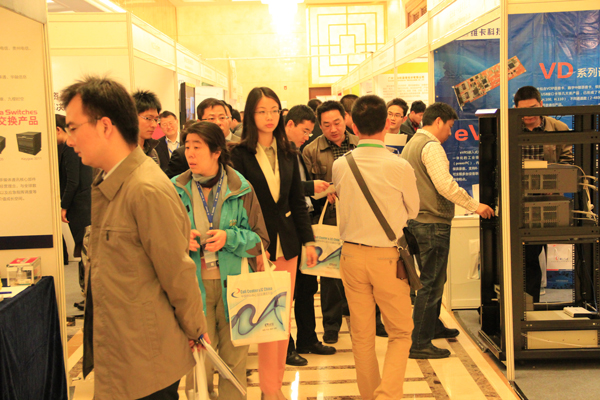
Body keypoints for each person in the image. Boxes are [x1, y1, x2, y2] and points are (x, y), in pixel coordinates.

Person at [61, 76, 209, 399]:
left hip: (147, 361)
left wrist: (196, 330)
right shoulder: (109, 181)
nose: (69, 141)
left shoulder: (145, 189)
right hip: (122, 352)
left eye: (73, 128)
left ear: (104, 126)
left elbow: (177, 273)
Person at [230, 87, 317, 400]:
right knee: (258, 317)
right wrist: (251, 244)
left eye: (274, 110)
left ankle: (273, 388)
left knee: (280, 319)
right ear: (250, 115)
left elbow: (297, 201)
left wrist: (308, 241)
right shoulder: (237, 154)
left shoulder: (289, 152)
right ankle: (261, 386)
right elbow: (237, 205)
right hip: (254, 248)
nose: (269, 117)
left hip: (287, 246)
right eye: (262, 111)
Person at [173, 121, 269, 400]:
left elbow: (260, 241)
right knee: (197, 364)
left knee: (234, 363)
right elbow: (159, 238)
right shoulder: (175, 188)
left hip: (235, 288)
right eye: (187, 147)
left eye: (197, 147)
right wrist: (181, 239)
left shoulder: (241, 188)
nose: (190, 154)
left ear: (217, 151)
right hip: (193, 289)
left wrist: (230, 238)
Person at [333, 94, 420, 400]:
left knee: (361, 335)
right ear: (386, 124)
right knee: (400, 332)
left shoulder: (340, 165)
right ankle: (387, 395)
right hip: (387, 258)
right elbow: (413, 210)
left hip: (351, 256)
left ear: (353, 126)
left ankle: (371, 395)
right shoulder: (399, 166)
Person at [401, 102, 494, 359]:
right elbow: (445, 185)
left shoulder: (412, 143)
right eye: (450, 127)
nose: (450, 133)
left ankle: (432, 326)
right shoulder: (431, 146)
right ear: (439, 121)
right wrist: (475, 205)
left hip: (417, 222)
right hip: (432, 223)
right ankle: (419, 342)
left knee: (431, 280)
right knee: (431, 283)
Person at [302, 100, 359, 344]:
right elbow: (306, 190)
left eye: (337, 122)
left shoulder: (359, 144)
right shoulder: (310, 150)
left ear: (345, 118)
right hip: (328, 219)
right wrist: (323, 193)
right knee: (330, 275)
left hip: (358, 217)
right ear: (320, 125)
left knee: (360, 270)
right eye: (326, 125)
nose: (333, 129)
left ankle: (367, 319)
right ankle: (331, 324)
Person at [283, 105, 336, 367]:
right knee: (286, 291)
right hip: (284, 229)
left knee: (307, 287)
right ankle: (286, 346)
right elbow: (285, 190)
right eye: (304, 131)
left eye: (309, 132)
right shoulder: (278, 153)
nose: (307, 137)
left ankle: (307, 338)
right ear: (289, 124)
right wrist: (309, 187)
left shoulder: (296, 152)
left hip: (303, 222)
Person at [514, 85, 573, 302]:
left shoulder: (558, 128)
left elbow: (568, 162)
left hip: (548, 200)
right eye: (522, 110)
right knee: (523, 254)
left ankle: (530, 302)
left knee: (534, 250)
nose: (528, 115)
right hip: (517, 199)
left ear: (541, 105)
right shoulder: (509, 127)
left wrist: (554, 184)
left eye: (532, 109)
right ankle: (523, 303)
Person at [56, 114, 92, 294]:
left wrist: (64, 206)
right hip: (83, 204)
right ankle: (85, 291)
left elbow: (72, 181)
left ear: (58, 130)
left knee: (86, 250)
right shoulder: (72, 147)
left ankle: (87, 292)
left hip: (80, 206)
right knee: (84, 249)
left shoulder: (69, 148)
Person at [166, 99, 240, 178]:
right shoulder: (182, 155)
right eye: (211, 118)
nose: (218, 122)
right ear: (199, 122)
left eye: (222, 117)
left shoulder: (238, 149)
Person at [132, 90, 161, 165]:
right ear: (133, 116)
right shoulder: (122, 152)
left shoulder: (152, 153)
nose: (154, 125)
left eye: (156, 120)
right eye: (148, 118)